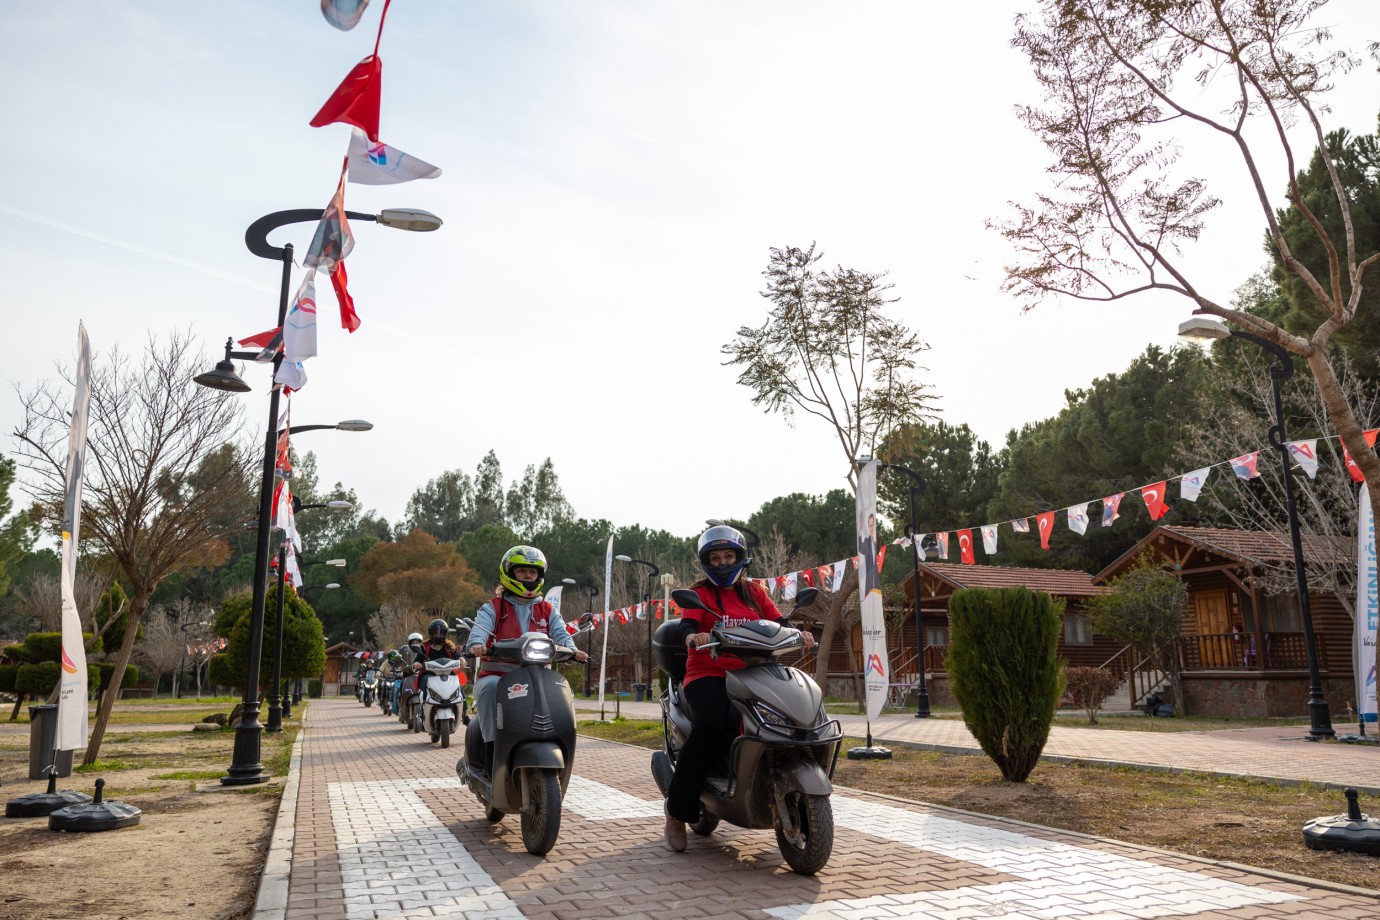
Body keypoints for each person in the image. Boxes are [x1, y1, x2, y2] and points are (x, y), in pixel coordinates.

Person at [662, 525, 815, 853]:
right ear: (706, 561)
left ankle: (760, 785)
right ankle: (677, 812)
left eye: (727, 556)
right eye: (715, 557)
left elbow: (778, 623)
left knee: (775, 721)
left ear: (740, 558)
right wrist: (693, 637)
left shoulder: (754, 593)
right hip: (707, 674)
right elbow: (688, 624)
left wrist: (799, 633)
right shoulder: (699, 594)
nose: (721, 563)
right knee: (711, 724)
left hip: (754, 673)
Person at [465, 545, 588, 774]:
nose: (528, 576)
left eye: (533, 572)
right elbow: (479, 630)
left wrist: (573, 650)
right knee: (490, 689)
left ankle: (560, 742)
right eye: (522, 571)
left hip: (538, 675)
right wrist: (477, 644)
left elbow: (561, 634)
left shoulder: (547, 609)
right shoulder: (493, 607)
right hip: (498, 675)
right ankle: (492, 752)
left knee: (562, 690)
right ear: (510, 573)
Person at [412, 619, 459, 703]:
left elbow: (459, 656)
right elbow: (418, 660)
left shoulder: (450, 647)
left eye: (441, 632)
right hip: (429, 676)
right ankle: (424, 707)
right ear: (430, 633)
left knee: (458, 686)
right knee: (426, 682)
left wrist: (462, 660)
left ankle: (464, 712)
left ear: (445, 633)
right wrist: (417, 664)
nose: (438, 635)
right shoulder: (424, 647)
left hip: (448, 676)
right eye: (435, 632)